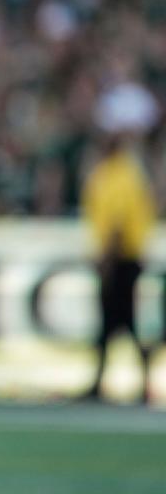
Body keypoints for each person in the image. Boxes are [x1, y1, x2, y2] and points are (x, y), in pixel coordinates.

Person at [81, 134, 156, 403]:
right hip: (126, 258)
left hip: (120, 260)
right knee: (120, 323)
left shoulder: (117, 176)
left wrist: (107, 259)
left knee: (117, 321)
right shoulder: (128, 174)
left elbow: (117, 221)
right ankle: (131, 380)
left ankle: (105, 381)